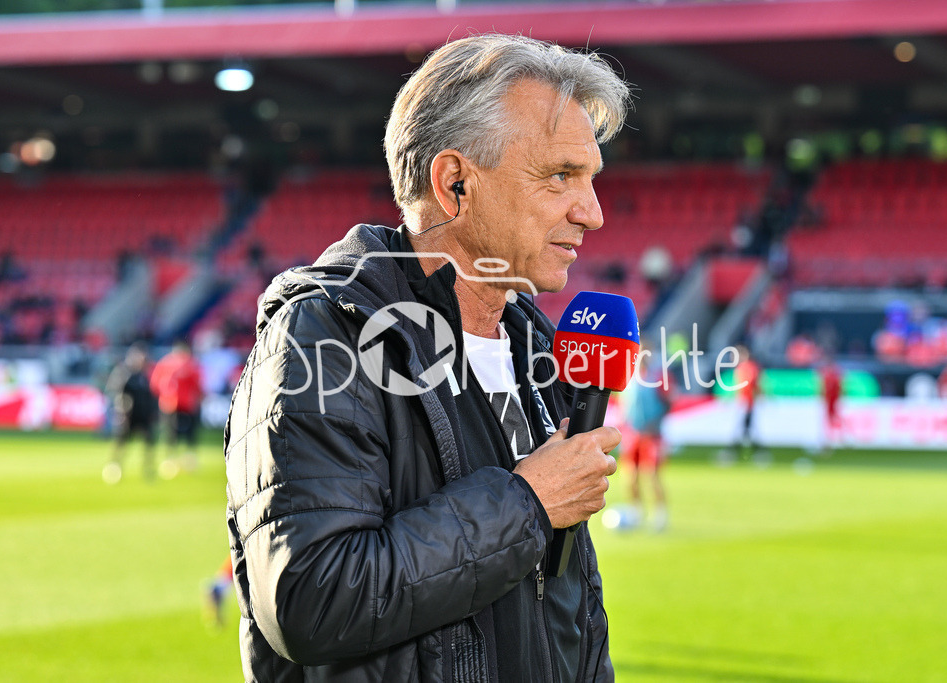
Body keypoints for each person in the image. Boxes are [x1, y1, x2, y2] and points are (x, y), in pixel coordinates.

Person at [224, 34, 630, 682]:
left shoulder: (531, 341)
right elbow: (310, 598)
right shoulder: (328, 334)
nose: (593, 213)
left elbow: (560, 605)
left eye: (590, 179)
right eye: (560, 175)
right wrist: (525, 502)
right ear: (454, 183)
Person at [620, 345, 671, 532]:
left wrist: (655, 423)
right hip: (633, 434)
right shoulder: (630, 378)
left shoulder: (657, 378)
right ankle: (636, 511)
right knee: (630, 476)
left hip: (652, 435)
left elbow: (668, 402)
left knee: (652, 475)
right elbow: (625, 404)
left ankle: (660, 514)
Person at [104, 343, 158, 483]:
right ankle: (114, 467)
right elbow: (117, 393)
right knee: (121, 444)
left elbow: (150, 396)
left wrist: (153, 413)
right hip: (128, 416)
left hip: (143, 416)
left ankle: (148, 469)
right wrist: (121, 411)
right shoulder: (124, 373)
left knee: (149, 443)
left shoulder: (145, 376)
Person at [150, 339, 204, 476]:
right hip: (187, 404)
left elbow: (154, 384)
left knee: (170, 433)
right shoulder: (191, 363)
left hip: (168, 404)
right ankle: (189, 460)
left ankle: (170, 460)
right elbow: (197, 385)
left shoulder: (164, 362)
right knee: (189, 433)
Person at [722, 344, 768, 463]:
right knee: (746, 429)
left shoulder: (749, 368)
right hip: (744, 403)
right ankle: (757, 453)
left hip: (746, 404)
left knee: (743, 429)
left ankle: (735, 453)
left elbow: (752, 386)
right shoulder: (744, 368)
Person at [818, 358, 843, 454]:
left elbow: (838, 388)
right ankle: (830, 441)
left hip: (833, 402)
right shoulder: (829, 376)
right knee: (830, 421)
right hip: (829, 402)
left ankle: (835, 440)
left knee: (833, 420)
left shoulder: (833, 376)